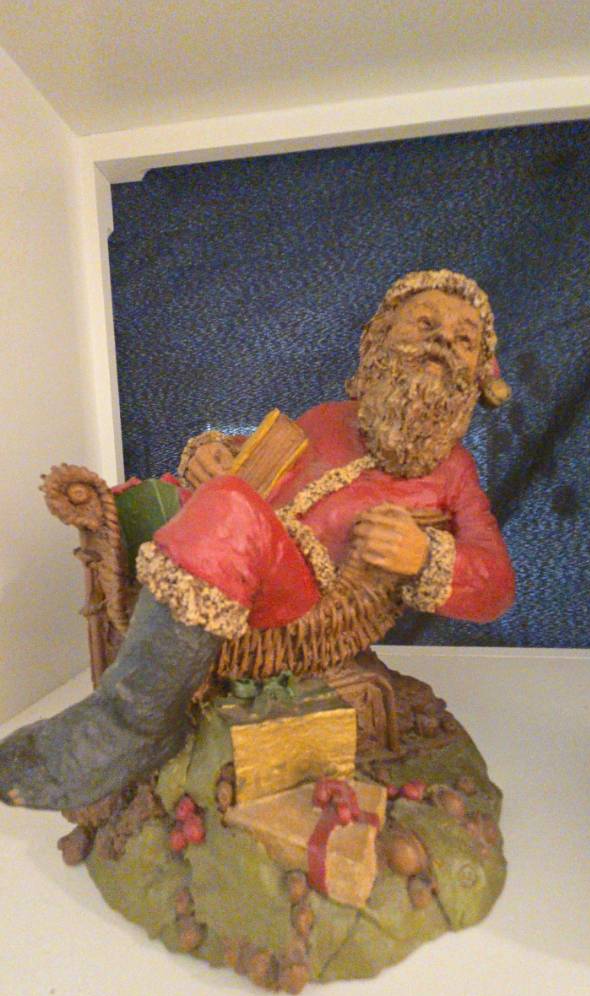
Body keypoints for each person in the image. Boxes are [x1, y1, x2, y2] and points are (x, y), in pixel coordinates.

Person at [0, 269, 515, 811]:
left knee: (226, 507)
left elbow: (497, 585)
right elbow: (269, 458)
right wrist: (216, 455)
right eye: (425, 324)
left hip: (302, 603)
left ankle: (131, 726)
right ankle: (134, 685)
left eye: (463, 340)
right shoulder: (330, 418)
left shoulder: (454, 473)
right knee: (142, 506)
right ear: (378, 341)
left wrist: (426, 557)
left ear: (477, 377)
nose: (441, 343)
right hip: (239, 554)